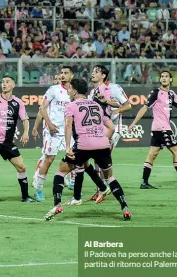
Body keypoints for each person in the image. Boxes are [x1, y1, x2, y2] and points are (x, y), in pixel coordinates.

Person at [44, 79, 132, 221]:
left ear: (75, 90)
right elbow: (111, 127)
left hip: (83, 145)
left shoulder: (71, 106)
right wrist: (102, 139)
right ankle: (125, 207)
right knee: (110, 177)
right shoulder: (97, 105)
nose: (69, 91)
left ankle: (57, 205)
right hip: (102, 145)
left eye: (70, 89)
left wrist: (67, 147)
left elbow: (68, 126)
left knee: (61, 171)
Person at [128, 71, 177, 189]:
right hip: (162, 128)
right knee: (176, 151)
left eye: (166, 76)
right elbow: (144, 108)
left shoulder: (171, 94)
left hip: (158, 129)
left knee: (152, 154)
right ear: (160, 80)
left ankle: (144, 183)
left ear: (171, 79)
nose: (164, 78)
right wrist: (133, 123)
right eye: (162, 76)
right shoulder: (156, 93)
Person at [74, 65, 132, 203]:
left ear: (104, 75)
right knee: (97, 160)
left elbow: (127, 105)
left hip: (112, 129)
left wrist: (114, 111)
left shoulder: (114, 88)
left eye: (96, 72)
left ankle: (105, 188)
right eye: (93, 71)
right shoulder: (93, 91)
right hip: (99, 129)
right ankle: (101, 188)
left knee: (103, 161)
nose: (93, 73)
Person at [0, 76, 36, 204]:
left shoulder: (18, 102)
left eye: (7, 82)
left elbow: (25, 119)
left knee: (21, 167)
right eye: (3, 82)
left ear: (13, 85)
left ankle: (25, 197)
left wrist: (25, 133)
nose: (4, 84)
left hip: (7, 142)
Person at [33, 67, 73, 202]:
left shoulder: (73, 92)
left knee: (75, 158)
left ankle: (72, 185)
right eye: (61, 73)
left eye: (65, 73)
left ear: (72, 76)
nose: (62, 75)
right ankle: (38, 189)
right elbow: (42, 108)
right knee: (49, 159)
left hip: (68, 130)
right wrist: (49, 124)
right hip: (53, 131)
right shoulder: (53, 89)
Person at [32, 74, 61, 185]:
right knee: (46, 155)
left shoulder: (68, 93)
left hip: (65, 129)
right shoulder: (50, 93)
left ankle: (70, 180)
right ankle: (36, 177)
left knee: (71, 155)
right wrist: (35, 127)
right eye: (56, 79)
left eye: (59, 78)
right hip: (50, 129)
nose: (58, 80)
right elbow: (41, 111)